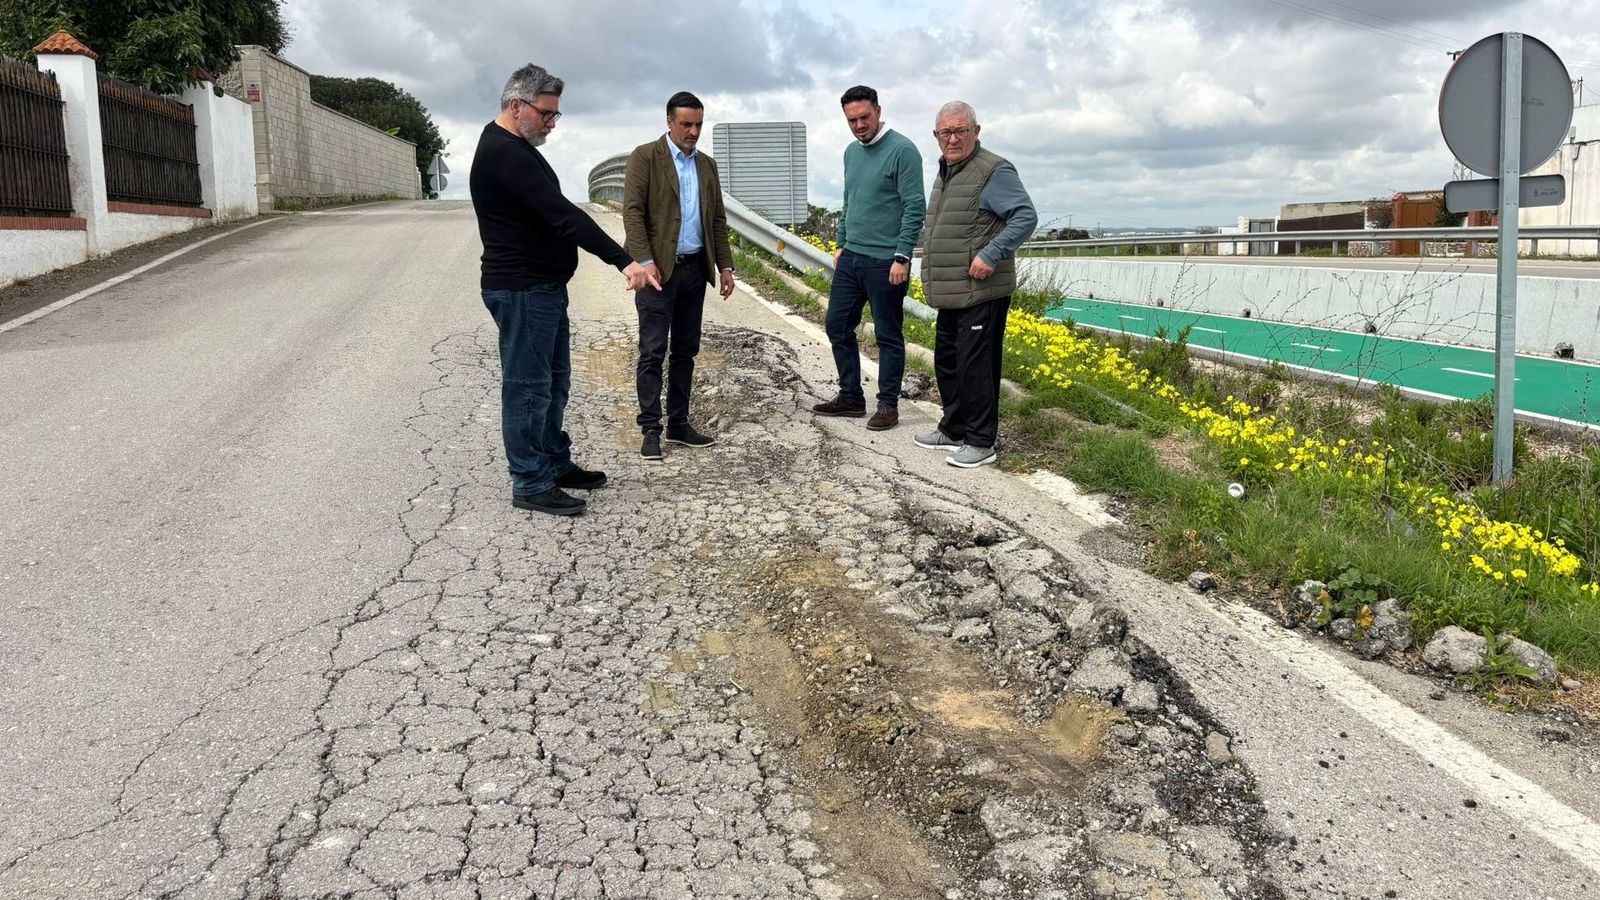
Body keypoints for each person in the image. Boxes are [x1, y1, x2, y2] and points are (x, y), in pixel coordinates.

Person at [470, 63, 658, 517]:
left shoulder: (514, 146)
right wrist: (623, 260)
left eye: (557, 114)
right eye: (547, 113)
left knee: (554, 383)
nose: (553, 122)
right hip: (522, 289)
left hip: (542, 289)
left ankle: (553, 461)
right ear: (517, 107)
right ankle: (530, 480)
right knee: (528, 387)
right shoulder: (505, 153)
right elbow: (564, 215)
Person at [913, 101, 1037, 468]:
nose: (952, 139)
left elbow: (1025, 216)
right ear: (936, 135)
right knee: (949, 362)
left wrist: (992, 253)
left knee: (976, 366)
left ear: (976, 131)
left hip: (981, 290)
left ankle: (982, 442)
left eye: (960, 131)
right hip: (952, 290)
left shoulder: (992, 171)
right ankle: (954, 429)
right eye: (945, 132)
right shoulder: (948, 169)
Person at [622, 91, 735, 461]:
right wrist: (643, 260)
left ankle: (679, 423)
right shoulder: (645, 157)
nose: (693, 131)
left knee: (686, 349)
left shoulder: (707, 166)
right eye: (686, 124)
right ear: (669, 122)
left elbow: (716, 220)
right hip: (657, 273)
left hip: (694, 269)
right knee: (653, 351)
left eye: (699, 124)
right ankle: (650, 428)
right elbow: (633, 212)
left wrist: (725, 266)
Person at [812, 85, 925, 431]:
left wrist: (902, 256)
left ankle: (888, 405)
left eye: (864, 117)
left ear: (878, 111)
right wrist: (841, 243)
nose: (859, 125)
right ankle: (851, 396)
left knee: (888, 335)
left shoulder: (903, 151)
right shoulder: (851, 152)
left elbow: (914, 207)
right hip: (852, 258)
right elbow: (850, 200)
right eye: (852, 120)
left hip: (886, 262)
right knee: (836, 324)